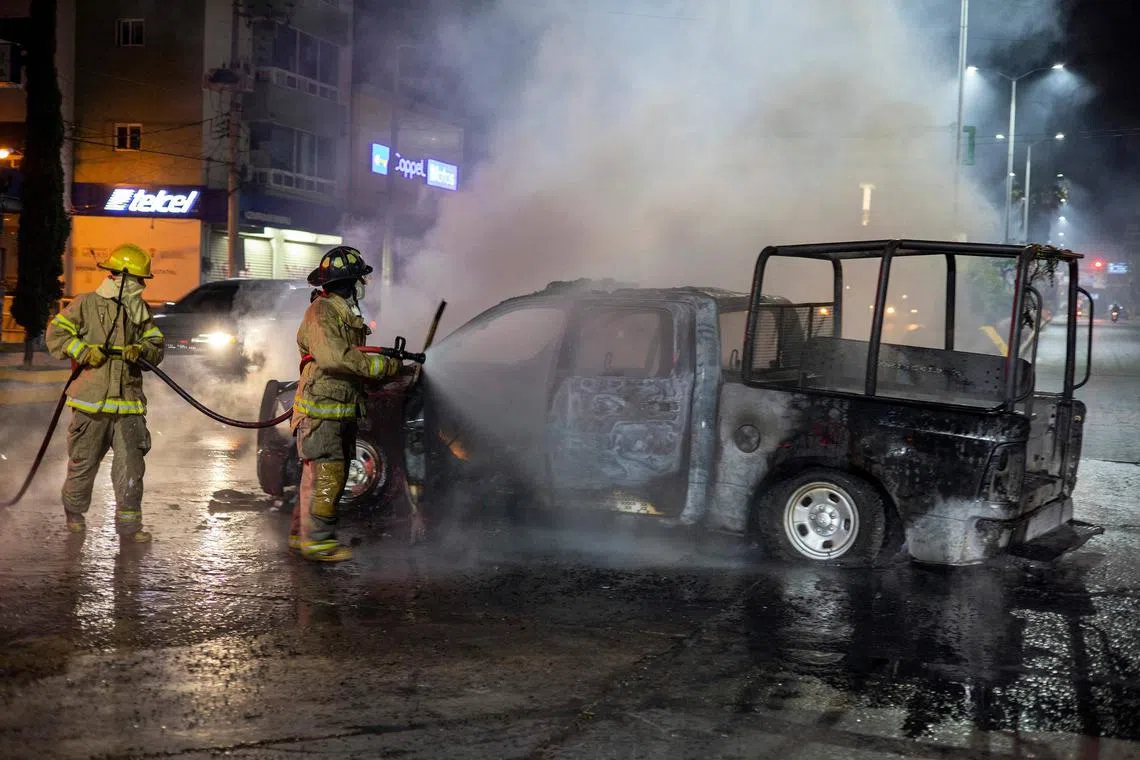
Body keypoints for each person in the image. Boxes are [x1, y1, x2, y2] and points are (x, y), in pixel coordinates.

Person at [45, 243, 165, 542]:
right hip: (91, 403)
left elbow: (156, 346)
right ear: (120, 277)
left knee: (131, 470)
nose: (142, 286)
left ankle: (129, 528)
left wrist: (143, 350)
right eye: (138, 279)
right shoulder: (85, 304)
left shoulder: (140, 311)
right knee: (83, 464)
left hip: (128, 406)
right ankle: (74, 513)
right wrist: (83, 351)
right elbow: (56, 335)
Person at [289, 246, 402, 562]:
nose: (363, 286)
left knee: (316, 476)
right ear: (352, 282)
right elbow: (336, 357)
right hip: (322, 411)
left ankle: (303, 536)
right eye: (360, 280)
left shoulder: (339, 311)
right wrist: (380, 367)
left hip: (333, 408)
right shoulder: (323, 312)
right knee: (329, 475)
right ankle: (320, 541)